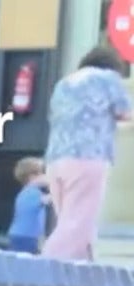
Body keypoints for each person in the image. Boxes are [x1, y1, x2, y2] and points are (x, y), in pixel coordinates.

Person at [43, 46, 133, 262]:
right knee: (77, 225)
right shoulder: (108, 79)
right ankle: (45, 266)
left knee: (70, 221)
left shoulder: (63, 84)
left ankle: (84, 269)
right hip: (88, 156)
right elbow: (126, 113)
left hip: (56, 158)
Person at [8, 156, 49, 254]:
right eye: (43, 173)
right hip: (26, 237)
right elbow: (50, 199)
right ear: (32, 177)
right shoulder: (32, 193)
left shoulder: (26, 192)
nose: (46, 176)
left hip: (22, 235)